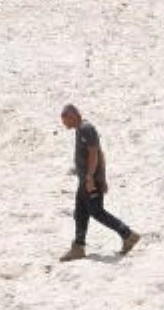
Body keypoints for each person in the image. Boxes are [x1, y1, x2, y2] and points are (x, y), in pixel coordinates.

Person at [58, 105, 141, 262]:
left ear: (73, 115)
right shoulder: (80, 129)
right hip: (85, 180)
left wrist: (92, 178)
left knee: (96, 211)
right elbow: (100, 154)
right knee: (80, 213)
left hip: (90, 180)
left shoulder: (86, 128)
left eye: (65, 120)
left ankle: (128, 234)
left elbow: (95, 153)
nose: (64, 125)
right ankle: (78, 247)